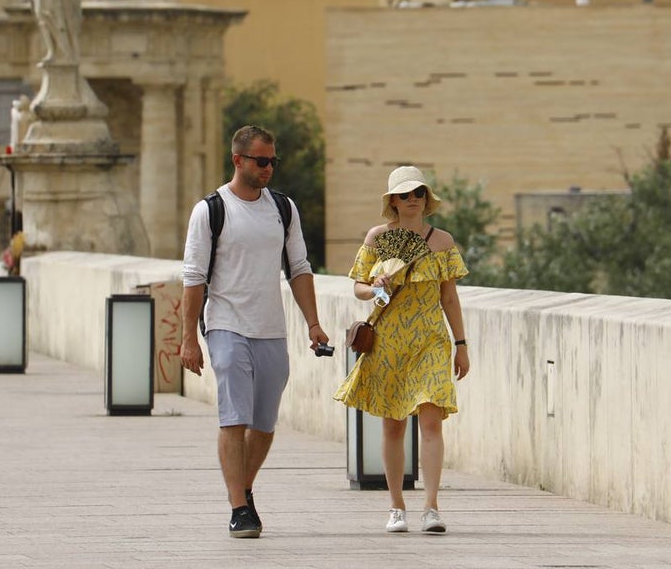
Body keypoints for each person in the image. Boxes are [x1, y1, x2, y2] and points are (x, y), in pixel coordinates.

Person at [179, 125, 328, 539]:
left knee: (263, 424)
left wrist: (312, 323)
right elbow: (192, 277)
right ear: (238, 160)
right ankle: (238, 507)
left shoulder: (283, 208)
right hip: (226, 323)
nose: (268, 169)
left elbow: (299, 268)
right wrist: (189, 338)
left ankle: (244, 487)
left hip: (271, 328)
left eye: (272, 162)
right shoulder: (210, 210)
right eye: (261, 161)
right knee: (234, 417)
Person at [334, 165, 470, 534]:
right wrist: (377, 285)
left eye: (419, 193)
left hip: (430, 339)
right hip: (389, 339)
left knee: (431, 420)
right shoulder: (377, 238)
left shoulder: (442, 241)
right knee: (393, 424)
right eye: (405, 195)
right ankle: (396, 506)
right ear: (393, 201)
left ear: (427, 198)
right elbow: (359, 289)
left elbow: (449, 298)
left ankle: (431, 507)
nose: (412, 200)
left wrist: (461, 345)